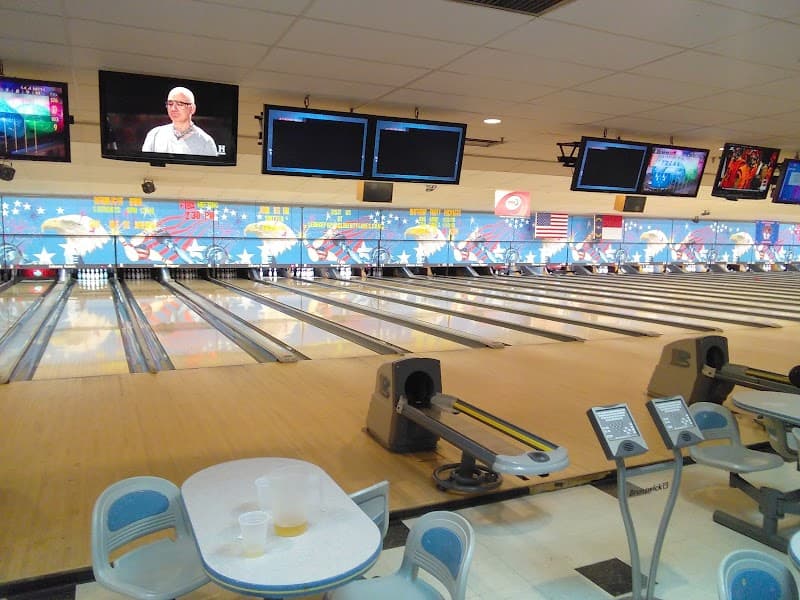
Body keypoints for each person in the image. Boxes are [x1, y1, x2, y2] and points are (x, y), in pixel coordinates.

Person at [141, 87, 218, 156]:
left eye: (179, 104)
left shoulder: (206, 142)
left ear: (192, 108)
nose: (173, 109)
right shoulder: (155, 135)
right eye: (170, 104)